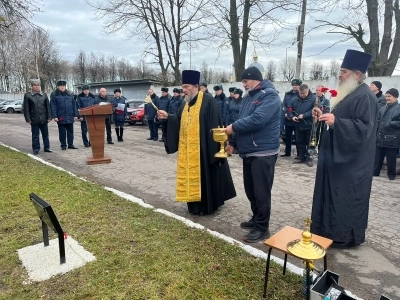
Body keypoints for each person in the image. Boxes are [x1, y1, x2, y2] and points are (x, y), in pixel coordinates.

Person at [310, 49, 379, 249]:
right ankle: (325, 229)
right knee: (331, 195)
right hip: (336, 157)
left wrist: (336, 122)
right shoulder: (350, 92)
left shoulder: (365, 96)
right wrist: (325, 117)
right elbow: (341, 118)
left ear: (358, 74)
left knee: (345, 199)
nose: (339, 75)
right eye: (340, 71)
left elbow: (363, 128)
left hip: (352, 163)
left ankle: (343, 236)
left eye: (344, 72)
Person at [157, 70, 236, 215]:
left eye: (187, 87)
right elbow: (179, 119)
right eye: (183, 87)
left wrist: (216, 150)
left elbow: (216, 124)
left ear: (196, 86)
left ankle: (207, 206)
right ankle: (194, 205)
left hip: (204, 150)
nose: (184, 90)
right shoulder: (185, 104)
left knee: (207, 177)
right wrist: (168, 116)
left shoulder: (208, 100)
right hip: (189, 151)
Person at [223, 66, 281, 243]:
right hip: (249, 151)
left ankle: (262, 228)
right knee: (251, 190)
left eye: (245, 80)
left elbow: (258, 120)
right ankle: (256, 218)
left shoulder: (269, 95)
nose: (243, 84)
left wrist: (232, 129)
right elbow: (241, 119)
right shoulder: (249, 97)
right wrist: (232, 143)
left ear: (255, 79)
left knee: (261, 191)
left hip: (263, 151)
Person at [373, 88, 400, 180]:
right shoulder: (382, 108)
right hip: (380, 137)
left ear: (396, 97)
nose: (387, 98)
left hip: (392, 138)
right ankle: (375, 173)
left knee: (391, 159)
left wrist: (390, 123)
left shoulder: (399, 108)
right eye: (386, 96)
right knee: (377, 158)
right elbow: (377, 121)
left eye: (390, 96)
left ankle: (392, 175)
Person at [287, 84, 317, 167]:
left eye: (304, 93)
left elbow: (315, 110)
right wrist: (292, 117)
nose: (302, 95)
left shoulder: (314, 99)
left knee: (310, 143)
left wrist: (304, 115)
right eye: (301, 93)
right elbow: (289, 109)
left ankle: (309, 158)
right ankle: (301, 157)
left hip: (309, 125)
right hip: (298, 124)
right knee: (299, 142)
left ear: (308, 91)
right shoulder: (294, 100)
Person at [23, 79, 52, 155]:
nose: (37, 87)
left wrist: (49, 117)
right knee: (35, 135)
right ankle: (36, 149)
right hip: (34, 119)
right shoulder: (28, 96)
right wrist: (28, 119)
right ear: (32, 86)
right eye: (35, 86)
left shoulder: (44, 95)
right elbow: (26, 109)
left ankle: (47, 147)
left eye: (38, 85)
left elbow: (48, 107)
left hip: (44, 119)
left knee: (45, 135)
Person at [50, 80, 79, 150]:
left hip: (70, 116)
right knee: (62, 132)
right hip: (61, 116)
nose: (62, 87)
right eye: (61, 86)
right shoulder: (54, 94)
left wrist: (75, 115)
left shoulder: (69, 94)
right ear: (58, 87)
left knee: (70, 132)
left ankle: (70, 144)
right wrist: (55, 116)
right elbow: (53, 106)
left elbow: (74, 105)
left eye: (63, 86)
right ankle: (63, 145)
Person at [281, 79, 301, 157]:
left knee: (298, 137)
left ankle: (299, 154)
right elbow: (284, 105)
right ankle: (287, 152)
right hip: (288, 118)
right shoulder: (288, 94)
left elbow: (300, 106)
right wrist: (286, 114)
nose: (294, 86)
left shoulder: (301, 94)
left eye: (296, 85)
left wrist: (294, 116)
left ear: (299, 86)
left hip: (297, 119)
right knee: (288, 136)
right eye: (293, 85)